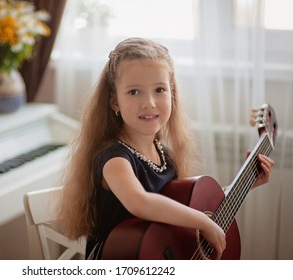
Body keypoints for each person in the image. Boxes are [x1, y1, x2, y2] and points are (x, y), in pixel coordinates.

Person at [57, 37, 274, 260]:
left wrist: (247, 183)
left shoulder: (165, 156)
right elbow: (140, 202)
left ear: (172, 95)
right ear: (115, 103)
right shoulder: (114, 159)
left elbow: (180, 207)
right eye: (134, 92)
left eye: (159, 90)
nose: (149, 102)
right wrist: (203, 222)